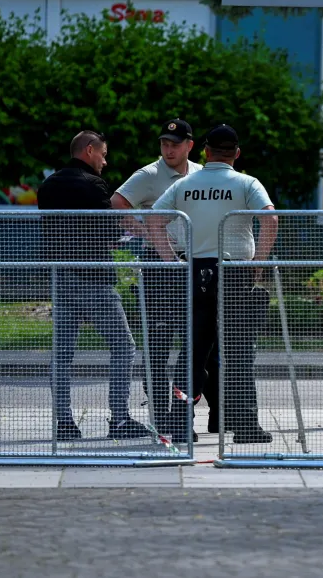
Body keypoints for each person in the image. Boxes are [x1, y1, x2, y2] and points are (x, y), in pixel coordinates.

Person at [150, 124, 278, 444]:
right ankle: (245, 424)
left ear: (205, 152)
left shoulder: (186, 184)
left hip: (196, 270)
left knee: (193, 350)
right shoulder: (247, 183)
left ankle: (180, 423)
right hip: (235, 271)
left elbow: (153, 218)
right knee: (238, 351)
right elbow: (270, 219)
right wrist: (258, 264)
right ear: (236, 153)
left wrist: (170, 262)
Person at [38, 131, 151, 441]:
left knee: (62, 353)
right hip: (93, 277)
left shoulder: (47, 186)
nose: (105, 160)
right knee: (124, 346)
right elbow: (104, 230)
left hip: (60, 276)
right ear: (89, 151)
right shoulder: (93, 185)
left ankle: (65, 423)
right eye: (102, 154)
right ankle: (119, 420)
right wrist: (127, 237)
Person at [111, 119, 202, 439]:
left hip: (193, 263)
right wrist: (139, 229)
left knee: (194, 341)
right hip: (159, 264)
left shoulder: (201, 173)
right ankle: (160, 410)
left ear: (189, 145)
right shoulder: (149, 174)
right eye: (164, 143)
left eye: (175, 144)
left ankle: (182, 412)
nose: (168, 150)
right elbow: (117, 202)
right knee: (159, 340)